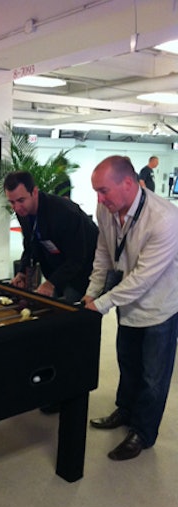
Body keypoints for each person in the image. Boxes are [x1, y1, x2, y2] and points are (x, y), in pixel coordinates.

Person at [84, 155, 178, 461]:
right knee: (128, 365)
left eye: (103, 191)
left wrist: (101, 304)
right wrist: (91, 293)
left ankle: (142, 432)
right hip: (127, 307)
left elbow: (142, 279)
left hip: (158, 309)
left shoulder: (164, 218)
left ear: (128, 183)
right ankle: (124, 411)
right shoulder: (106, 209)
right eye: (96, 192)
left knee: (153, 377)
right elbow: (103, 252)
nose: (99, 198)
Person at [4, 171, 98, 303]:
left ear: (34, 192)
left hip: (84, 271)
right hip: (57, 268)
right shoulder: (23, 212)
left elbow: (77, 257)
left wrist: (51, 283)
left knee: (71, 316)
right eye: (12, 202)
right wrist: (22, 272)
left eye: (21, 200)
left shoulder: (64, 212)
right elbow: (30, 244)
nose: (17, 208)